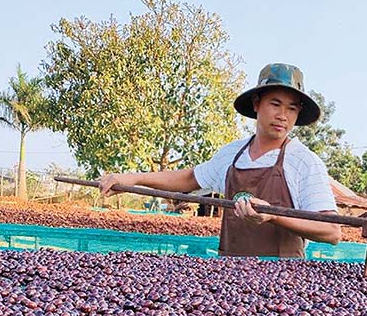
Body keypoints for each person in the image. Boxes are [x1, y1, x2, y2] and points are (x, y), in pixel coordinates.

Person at [100, 63, 341, 257]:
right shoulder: (231, 155)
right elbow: (188, 178)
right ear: (257, 104)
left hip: (282, 285)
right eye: (275, 104)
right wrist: (131, 179)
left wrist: (274, 215)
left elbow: (331, 231)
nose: (282, 116)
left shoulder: (304, 162)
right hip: (229, 280)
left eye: (291, 109)